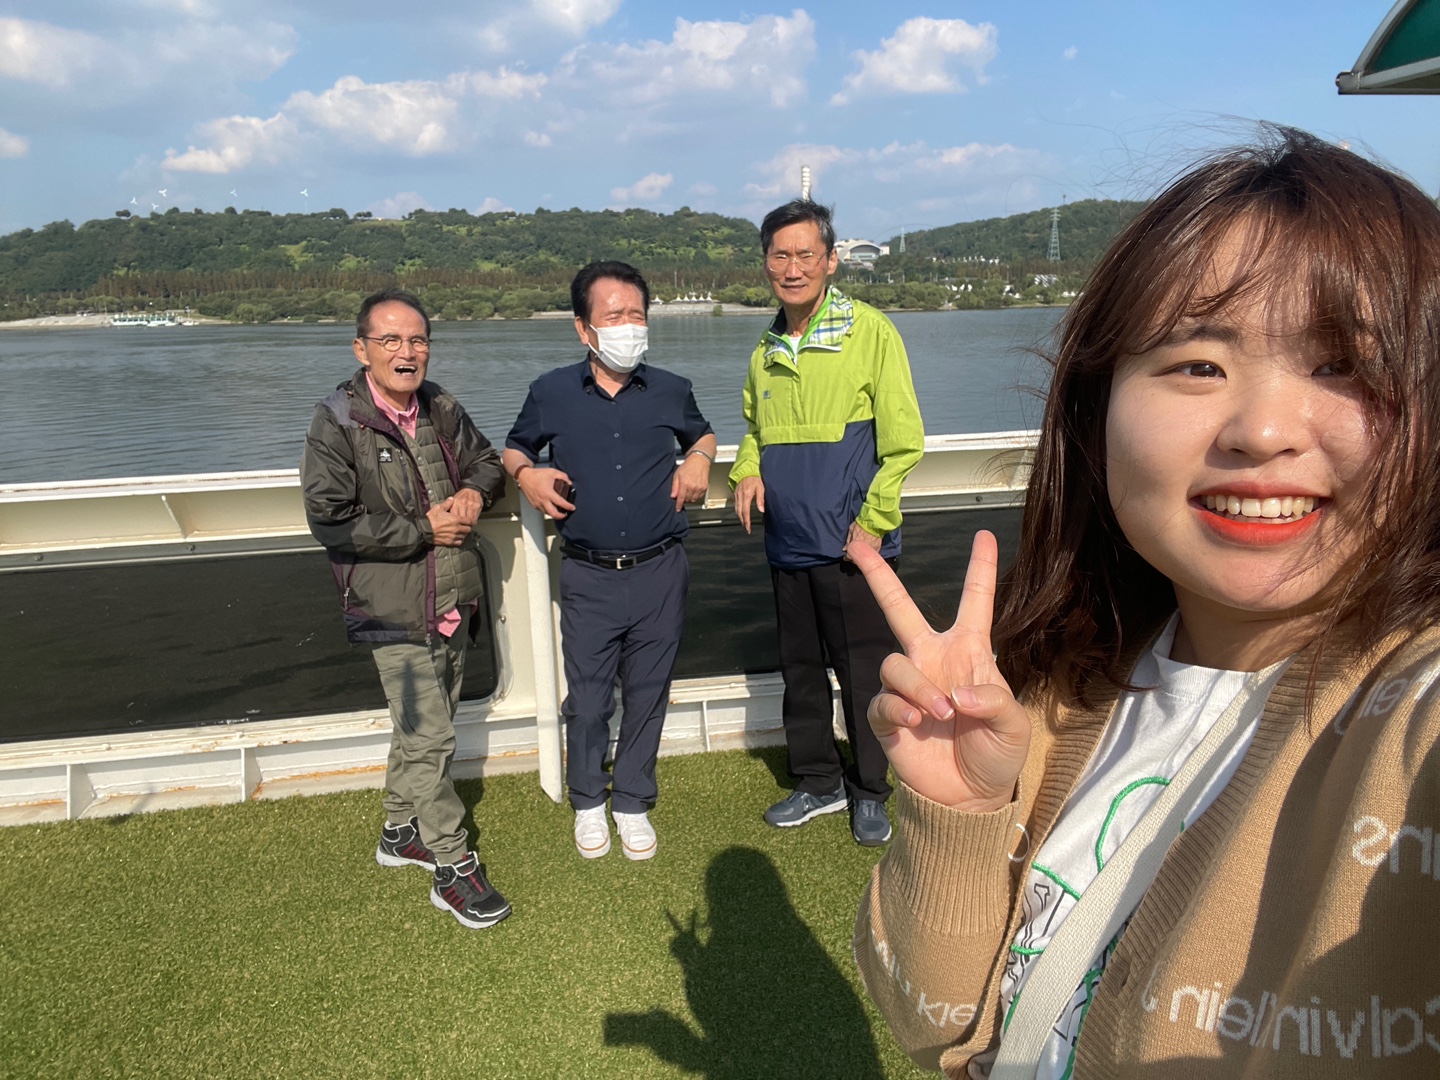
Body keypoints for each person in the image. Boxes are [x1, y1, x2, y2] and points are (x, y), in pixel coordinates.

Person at [852, 129, 1440, 1078]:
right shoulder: (1055, 694)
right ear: (1097, 412)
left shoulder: (1413, 723)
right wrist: (958, 813)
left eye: (1343, 365)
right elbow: (937, 1033)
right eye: (1197, 365)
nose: (1261, 431)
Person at [300, 287, 511, 930]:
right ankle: (452, 865)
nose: (406, 351)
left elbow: (487, 462)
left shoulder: (440, 405)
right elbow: (329, 518)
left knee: (421, 728)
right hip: (393, 608)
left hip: (451, 597)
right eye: (390, 339)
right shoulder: (338, 421)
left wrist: (473, 495)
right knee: (432, 735)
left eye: (417, 339)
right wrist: (424, 528)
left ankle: (398, 833)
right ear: (361, 348)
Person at [504, 261, 715, 861]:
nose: (628, 326)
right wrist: (527, 475)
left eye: (636, 315)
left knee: (648, 691)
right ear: (584, 328)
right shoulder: (551, 392)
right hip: (589, 573)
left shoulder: (672, 388)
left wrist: (699, 458)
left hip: (660, 568)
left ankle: (632, 800)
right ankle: (588, 799)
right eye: (614, 315)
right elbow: (515, 447)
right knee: (591, 697)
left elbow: (701, 433)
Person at [730, 199, 924, 846]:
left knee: (865, 673)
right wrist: (746, 472)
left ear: (831, 260)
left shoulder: (870, 332)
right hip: (786, 539)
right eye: (780, 255)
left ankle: (871, 789)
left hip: (852, 544)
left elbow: (904, 443)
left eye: (806, 254)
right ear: (766, 264)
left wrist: (874, 520)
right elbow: (754, 430)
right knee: (801, 671)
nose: (793, 268)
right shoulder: (765, 348)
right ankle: (817, 780)